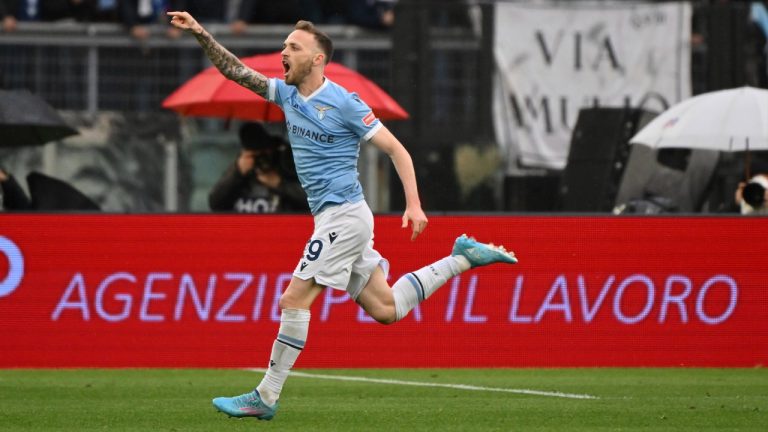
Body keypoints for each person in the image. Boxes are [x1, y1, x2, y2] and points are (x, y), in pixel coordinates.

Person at [168, 10, 518, 421]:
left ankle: (265, 396)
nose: (284, 52)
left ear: (317, 59)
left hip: (345, 216)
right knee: (386, 309)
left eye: (293, 47)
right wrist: (201, 33)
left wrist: (414, 203)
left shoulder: (345, 103)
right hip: (331, 218)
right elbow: (237, 72)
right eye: (284, 45)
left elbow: (397, 150)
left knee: (293, 299)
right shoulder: (288, 95)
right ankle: (463, 257)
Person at [209, 122, 309, 213]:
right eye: (255, 155)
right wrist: (237, 171)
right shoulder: (239, 175)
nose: (261, 159)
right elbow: (215, 203)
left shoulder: (286, 170)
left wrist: (279, 184)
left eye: (264, 154)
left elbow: (311, 202)